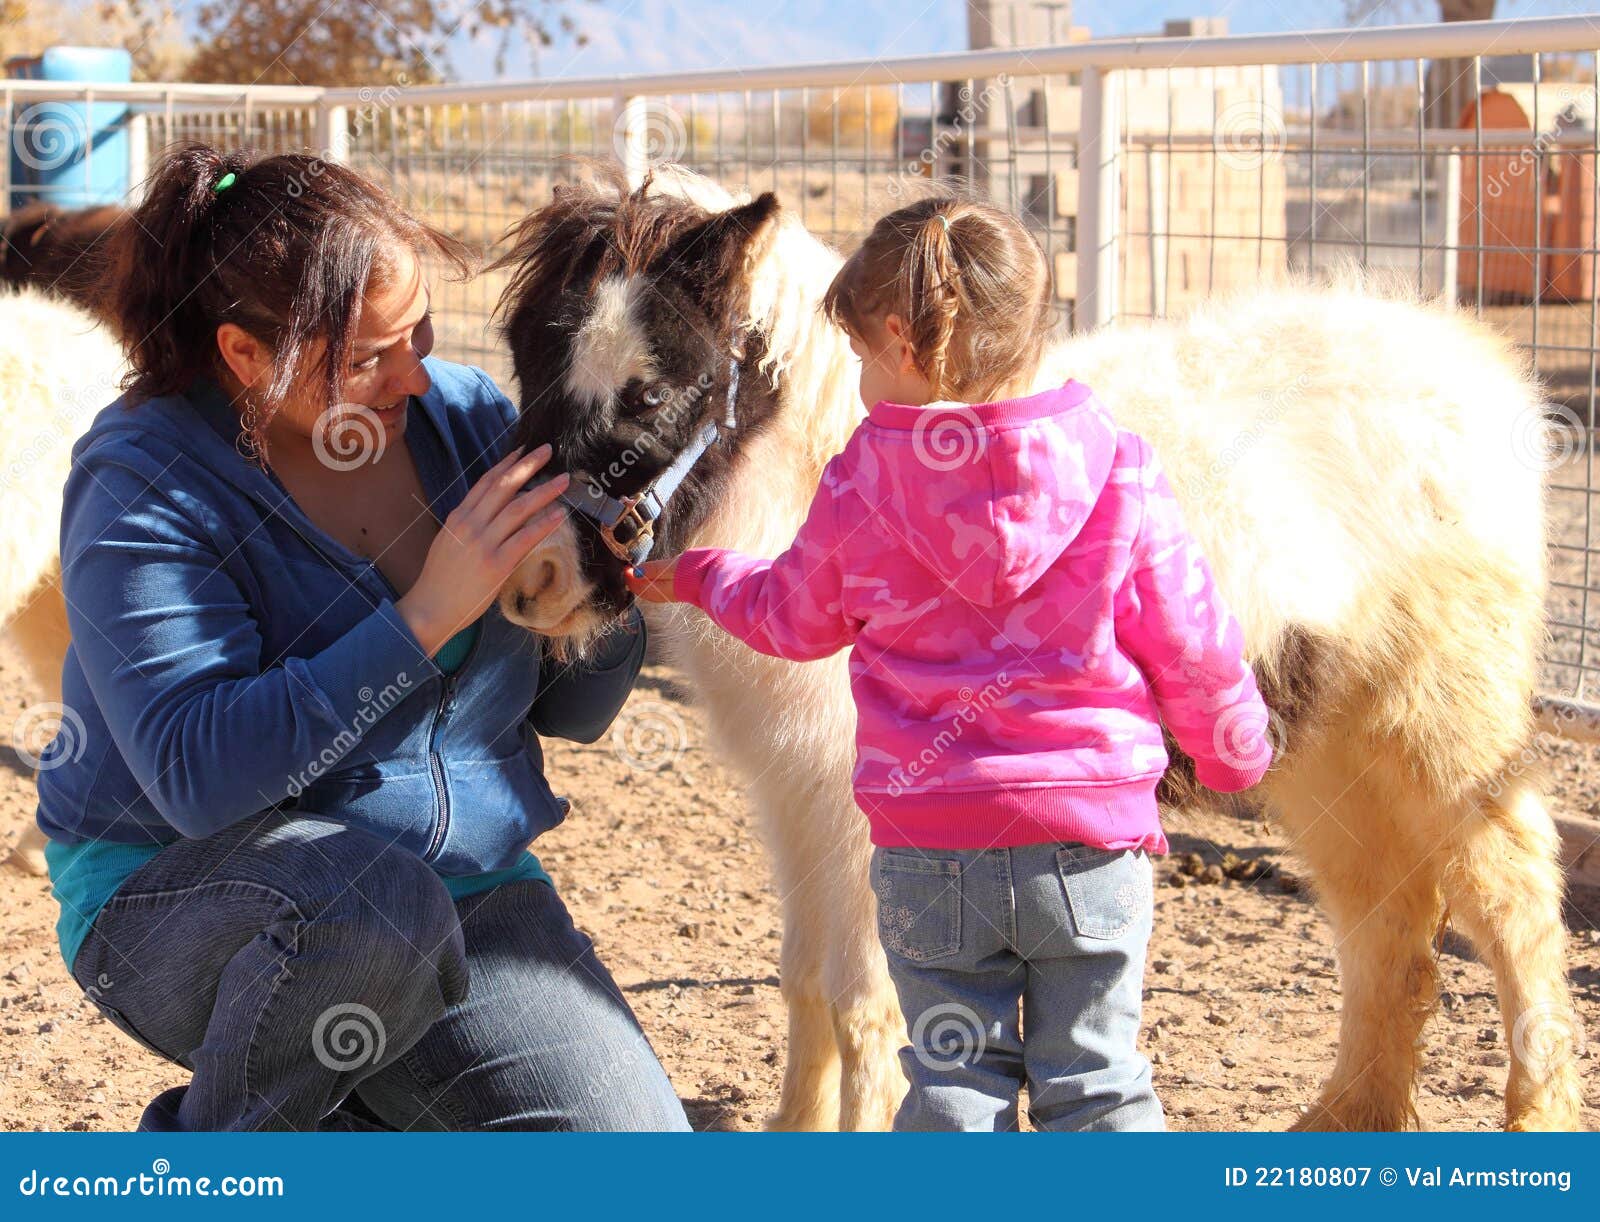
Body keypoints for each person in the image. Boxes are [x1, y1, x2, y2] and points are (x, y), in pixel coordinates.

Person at [36, 142, 688, 1131]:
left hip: (466, 886)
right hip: (186, 890)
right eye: (369, 357)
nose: (416, 376)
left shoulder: (468, 421)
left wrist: (606, 596)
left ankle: (328, 1117)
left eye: (418, 329)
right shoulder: (146, 480)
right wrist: (427, 613)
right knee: (368, 912)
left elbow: (576, 715)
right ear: (244, 355)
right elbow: (197, 774)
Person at [627, 196, 1273, 1131]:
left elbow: (792, 617)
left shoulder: (862, 481)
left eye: (856, 358)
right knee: (1097, 1081)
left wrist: (699, 575)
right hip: (1090, 843)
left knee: (952, 1082)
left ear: (903, 342)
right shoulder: (1122, 469)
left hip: (933, 848)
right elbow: (1198, 643)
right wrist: (1234, 754)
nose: (854, 383)